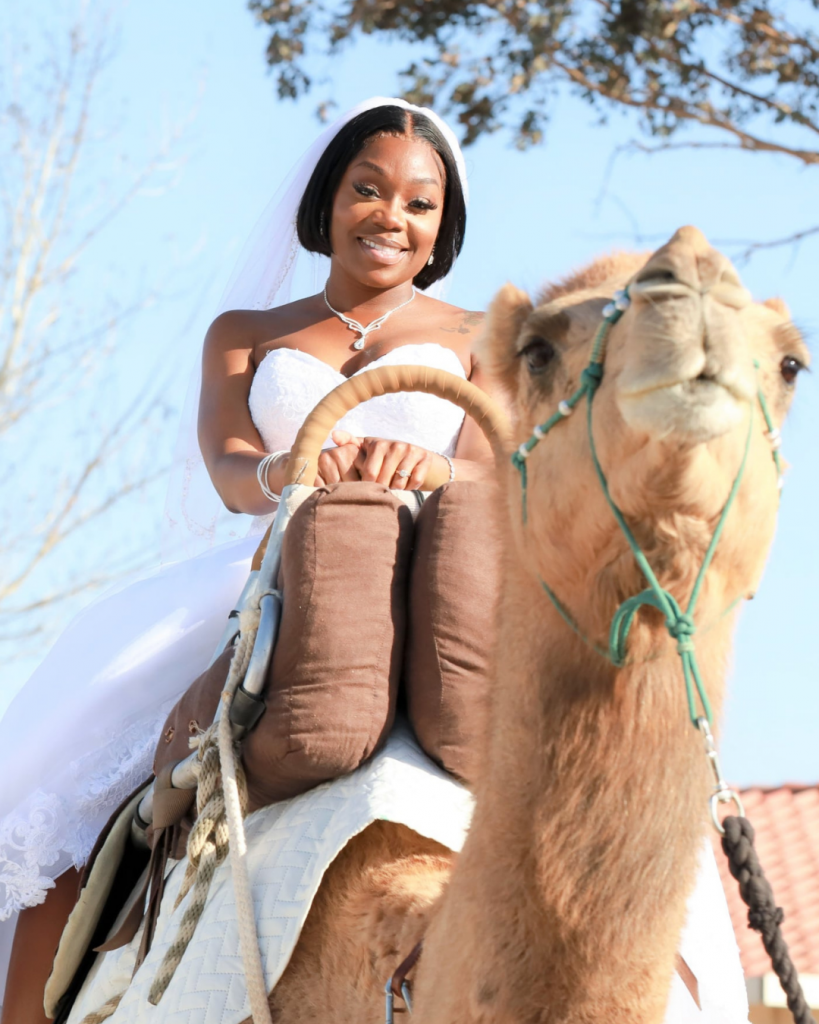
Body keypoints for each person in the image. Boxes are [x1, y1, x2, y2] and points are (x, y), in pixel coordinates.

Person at [0, 98, 496, 1022]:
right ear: (327, 198)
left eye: (419, 203)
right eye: (367, 189)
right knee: (80, 807)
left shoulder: (488, 332)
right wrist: (293, 464)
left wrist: (418, 465)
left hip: (426, 571)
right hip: (273, 560)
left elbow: (495, 463)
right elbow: (231, 469)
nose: (391, 215)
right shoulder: (244, 330)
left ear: (442, 224)